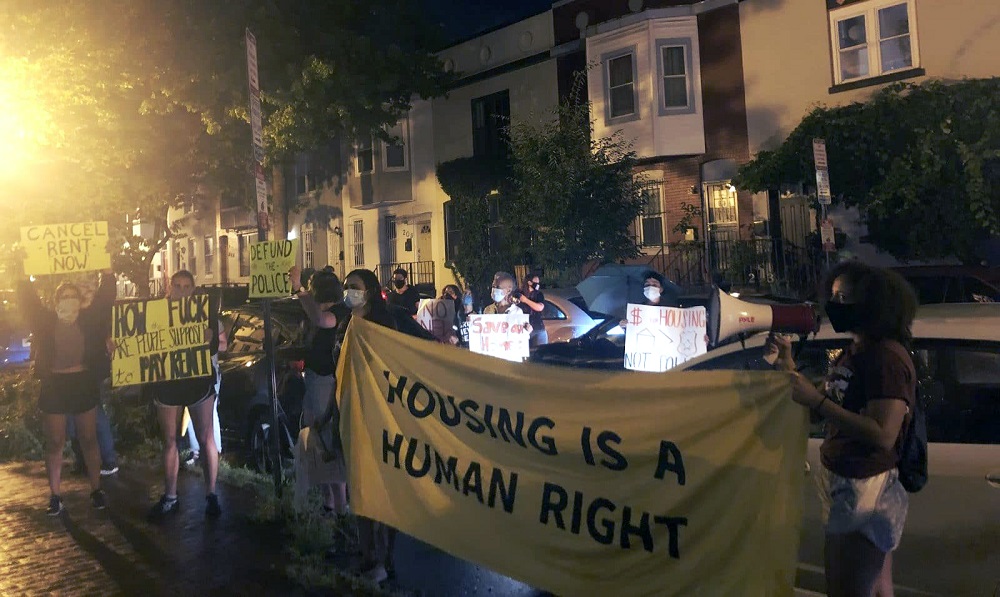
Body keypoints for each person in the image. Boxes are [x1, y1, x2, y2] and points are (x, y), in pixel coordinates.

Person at [767, 261, 917, 597]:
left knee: (847, 587)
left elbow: (883, 434)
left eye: (845, 297)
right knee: (875, 587)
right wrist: (789, 367)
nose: (835, 304)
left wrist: (817, 404)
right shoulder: (857, 351)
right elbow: (829, 400)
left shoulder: (885, 358)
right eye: (834, 295)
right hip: (849, 483)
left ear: (874, 303)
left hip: (864, 487)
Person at [18, 268, 116, 515]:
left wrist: (109, 273)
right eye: (64, 296)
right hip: (55, 386)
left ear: (80, 301)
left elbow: (105, 300)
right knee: (55, 442)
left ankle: (96, 489)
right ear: (55, 301)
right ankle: (55, 495)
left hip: (83, 383)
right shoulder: (46, 321)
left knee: (89, 439)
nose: (69, 300)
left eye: (73, 296)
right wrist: (23, 275)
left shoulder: (88, 320)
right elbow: (28, 303)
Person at [146, 270, 227, 521]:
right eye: (177, 286)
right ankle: (170, 496)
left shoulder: (205, 313)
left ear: (193, 289)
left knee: (206, 439)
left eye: (186, 286)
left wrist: (210, 339)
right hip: (168, 382)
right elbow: (143, 343)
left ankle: (211, 494)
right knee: (169, 440)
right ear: (170, 288)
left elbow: (217, 345)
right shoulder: (155, 313)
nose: (182, 290)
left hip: (197, 381)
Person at [288, 265, 349, 520]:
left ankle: (339, 507)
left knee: (327, 444)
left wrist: (298, 289)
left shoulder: (337, 313)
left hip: (327, 384)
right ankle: (330, 504)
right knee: (318, 443)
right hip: (314, 383)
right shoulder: (324, 314)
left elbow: (320, 320)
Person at [515, 272, 547, 346]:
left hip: (537, 328)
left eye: (538, 283)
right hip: (522, 329)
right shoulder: (519, 293)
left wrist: (526, 300)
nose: (538, 285)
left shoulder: (539, 294)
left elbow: (540, 307)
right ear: (529, 282)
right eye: (536, 283)